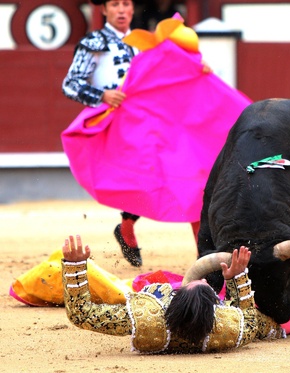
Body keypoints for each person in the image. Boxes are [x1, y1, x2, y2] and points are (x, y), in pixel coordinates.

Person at [62, 0, 202, 267]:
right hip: (115, 126)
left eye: (126, 4)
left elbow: (166, 74)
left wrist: (197, 70)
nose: (122, 10)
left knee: (185, 174)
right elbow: (70, 84)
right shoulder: (93, 43)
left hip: (148, 120)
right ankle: (129, 228)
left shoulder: (143, 43)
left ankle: (200, 248)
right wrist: (101, 94)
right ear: (104, 9)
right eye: (115, 4)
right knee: (150, 177)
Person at [61, 235, 290, 354]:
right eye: (205, 283)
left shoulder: (147, 319)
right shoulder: (229, 327)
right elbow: (250, 315)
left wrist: (75, 268)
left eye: (197, 282)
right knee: (281, 328)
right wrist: (237, 278)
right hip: (250, 325)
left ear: (172, 299)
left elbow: (82, 314)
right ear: (218, 308)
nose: (203, 278)